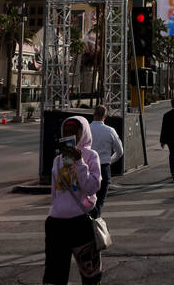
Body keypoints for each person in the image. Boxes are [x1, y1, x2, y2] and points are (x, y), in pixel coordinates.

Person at [44, 116, 102, 285]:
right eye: (66, 132)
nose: (69, 135)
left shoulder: (91, 156)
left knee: (90, 272)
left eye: (74, 132)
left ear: (82, 134)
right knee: (54, 273)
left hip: (81, 222)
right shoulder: (58, 159)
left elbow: (92, 187)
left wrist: (80, 162)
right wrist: (57, 208)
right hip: (57, 223)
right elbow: (55, 191)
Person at [89, 105, 123, 218]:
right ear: (105, 116)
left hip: (87, 168)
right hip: (103, 167)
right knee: (99, 202)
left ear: (94, 114)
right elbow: (120, 151)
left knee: (86, 201)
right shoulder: (110, 131)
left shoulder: (86, 130)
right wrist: (110, 160)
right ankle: (96, 225)